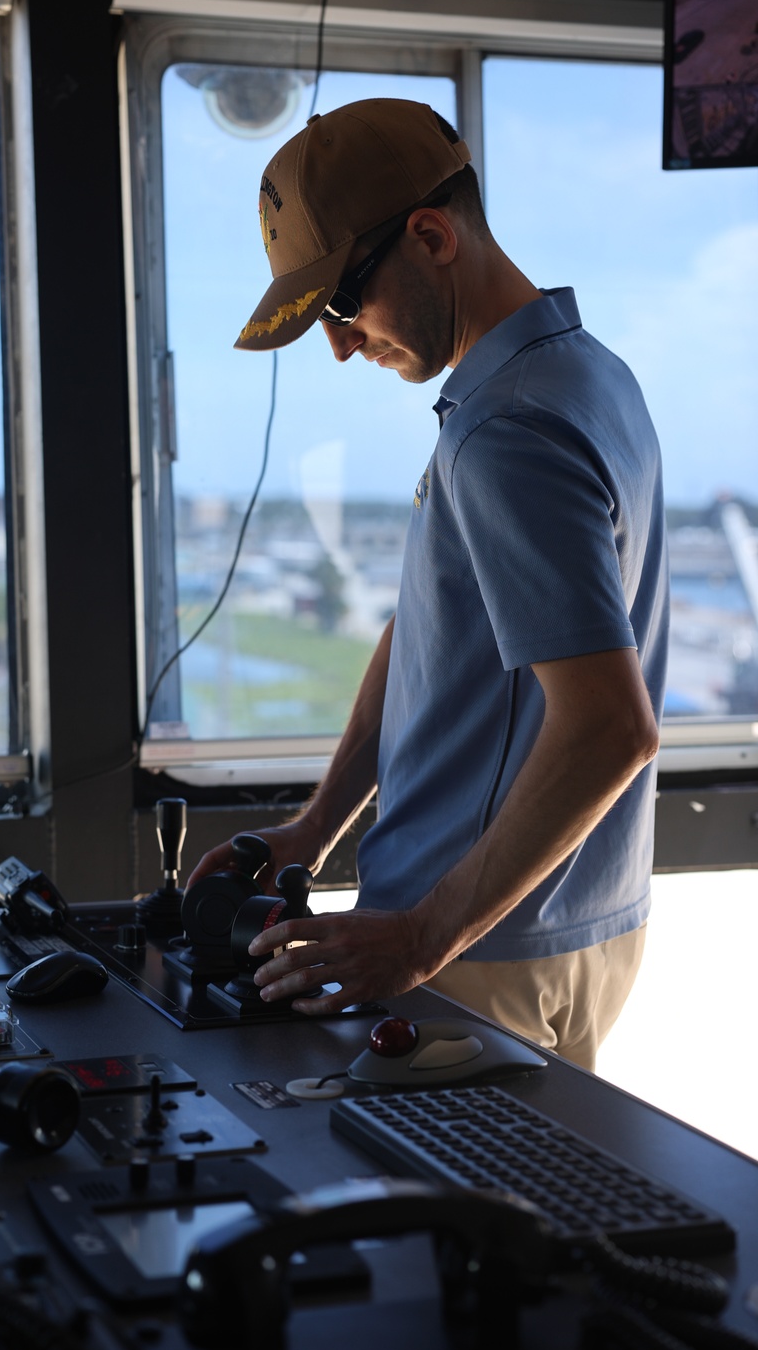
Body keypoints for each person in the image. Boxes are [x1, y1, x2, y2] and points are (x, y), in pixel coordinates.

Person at [187, 98, 668, 1070]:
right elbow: (427, 630)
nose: (339, 342)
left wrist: (420, 937)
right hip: (569, 918)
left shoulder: (505, 432)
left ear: (431, 237)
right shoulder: (584, 376)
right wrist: (317, 827)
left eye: (343, 301)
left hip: (476, 946)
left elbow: (610, 727)